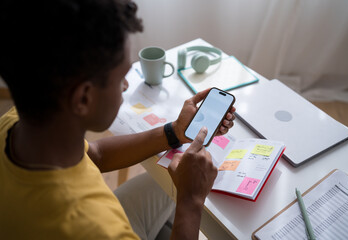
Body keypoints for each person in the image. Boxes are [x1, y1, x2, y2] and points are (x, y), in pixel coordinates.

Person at [0, 0, 236, 239]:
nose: (125, 86)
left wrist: (174, 131)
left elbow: (96, 155)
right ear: (83, 98)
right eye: (122, 76)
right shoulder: (97, 228)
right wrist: (191, 201)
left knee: (164, 184)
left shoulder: (19, 122)